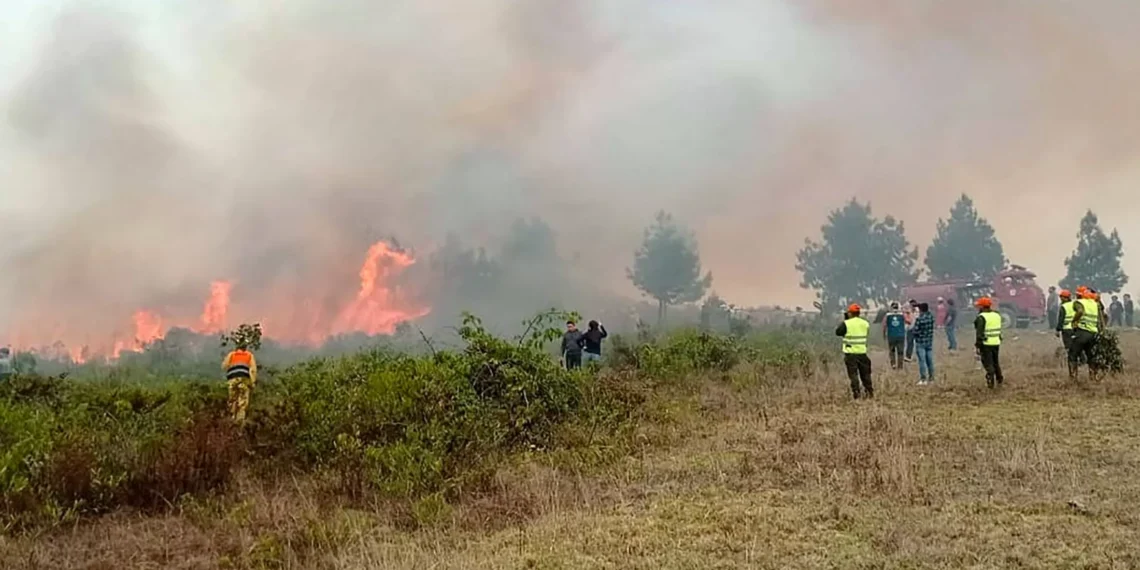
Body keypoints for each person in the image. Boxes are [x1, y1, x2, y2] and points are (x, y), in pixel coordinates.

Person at [835, 304, 873, 399]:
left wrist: (845, 320)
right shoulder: (865, 323)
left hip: (851, 354)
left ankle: (857, 394)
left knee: (853, 375)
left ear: (850, 313)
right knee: (866, 375)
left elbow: (838, 332)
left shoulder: (847, 323)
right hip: (862, 353)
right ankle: (869, 393)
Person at [1069, 289, 1102, 381]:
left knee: (1073, 354)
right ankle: (1093, 377)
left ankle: (1073, 378)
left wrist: (1074, 321)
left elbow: (1080, 311)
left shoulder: (1079, 302)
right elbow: (1102, 318)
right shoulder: (1095, 304)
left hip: (1082, 331)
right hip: (1093, 333)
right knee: (1091, 356)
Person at [222, 342, 258, 424]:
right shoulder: (249, 355)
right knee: (243, 400)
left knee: (232, 399)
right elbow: (253, 370)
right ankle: (240, 420)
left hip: (232, 379)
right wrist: (253, 382)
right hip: (244, 379)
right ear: (245, 348)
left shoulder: (232, 354)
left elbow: (224, 365)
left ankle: (231, 417)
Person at [974, 297, 1004, 389]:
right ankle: (999, 379)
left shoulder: (981, 317)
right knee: (995, 362)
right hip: (996, 342)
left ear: (982, 307)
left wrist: (978, 345)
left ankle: (990, 382)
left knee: (988, 363)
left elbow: (979, 333)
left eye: (979, 306)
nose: (978, 308)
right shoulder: (997, 315)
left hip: (986, 344)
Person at [913, 302, 935, 385]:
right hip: (929, 342)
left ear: (921, 310)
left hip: (920, 342)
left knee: (922, 361)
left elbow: (915, 331)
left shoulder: (919, 319)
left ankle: (923, 379)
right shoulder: (931, 317)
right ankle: (931, 379)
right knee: (930, 361)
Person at [882, 302, 907, 369]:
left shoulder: (887, 315)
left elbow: (884, 325)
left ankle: (893, 364)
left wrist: (884, 334)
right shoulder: (902, 314)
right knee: (900, 351)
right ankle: (900, 366)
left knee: (892, 351)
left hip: (891, 335)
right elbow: (907, 321)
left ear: (891, 307)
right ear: (897, 307)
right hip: (901, 335)